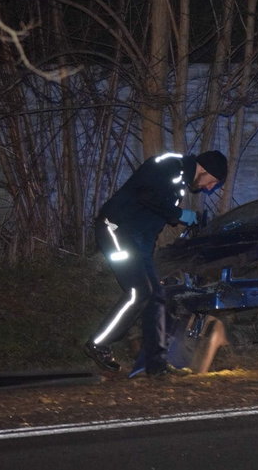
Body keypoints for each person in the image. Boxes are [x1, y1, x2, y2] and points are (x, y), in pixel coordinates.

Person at [84, 150, 228, 374]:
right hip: (115, 229)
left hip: (137, 242)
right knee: (138, 292)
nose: (210, 188)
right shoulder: (168, 165)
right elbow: (147, 196)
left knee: (156, 296)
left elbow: (152, 217)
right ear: (205, 170)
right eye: (213, 182)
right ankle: (99, 343)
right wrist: (180, 215)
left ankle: (155, 365)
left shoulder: (179, 183)